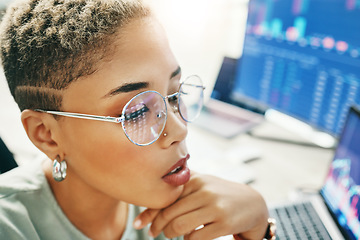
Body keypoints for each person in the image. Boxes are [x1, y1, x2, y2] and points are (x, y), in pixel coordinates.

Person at [0, 0, 272, 239]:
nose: (179, 130)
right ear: (46, 134)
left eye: (175, 94)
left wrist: (259, 231)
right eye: (138, 112)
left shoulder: (182, 209)